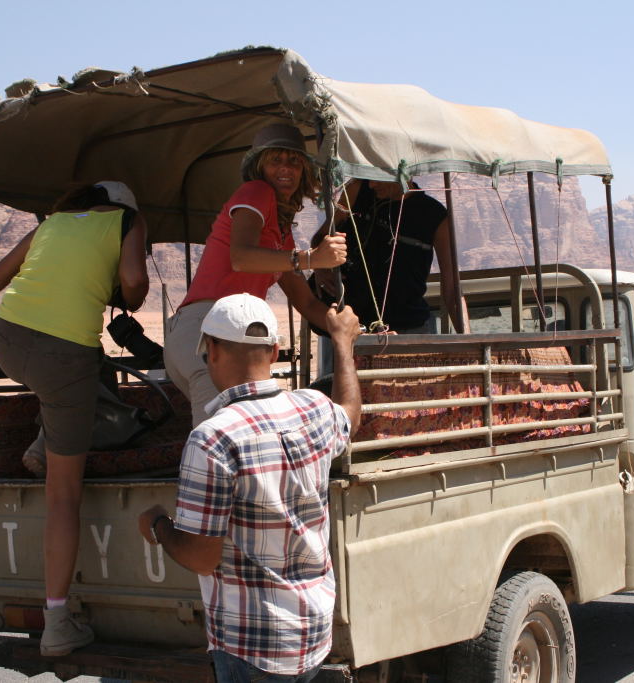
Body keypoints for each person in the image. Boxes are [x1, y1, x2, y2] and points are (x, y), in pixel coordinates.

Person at [0, 180, 149, 657]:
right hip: (64, 359)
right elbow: (133, 284)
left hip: (7, 339)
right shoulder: (128, 221)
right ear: (123, 208)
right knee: (64, 496)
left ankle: (42, 439)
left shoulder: (50, 225)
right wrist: (128, 295)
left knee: (84, 374)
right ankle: (57, 623)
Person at [139, 293, 362, 682]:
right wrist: (342, 344)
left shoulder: (212, 439)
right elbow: (350, 415)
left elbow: (201, 557)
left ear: (211, 351)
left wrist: (159, 525)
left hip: (253, 646)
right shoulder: (314, 409)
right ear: (275, 351)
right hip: (311, 633)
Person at [164, 123, 347, 426]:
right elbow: (241, 257)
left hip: (211, 336)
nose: (285, 168)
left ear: (304, 169)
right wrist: (313, 258)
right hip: (206, 331)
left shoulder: (280, 235)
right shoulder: (256, 191)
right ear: (260, 167)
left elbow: (308, 304)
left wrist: (351, 330)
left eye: (293, 161)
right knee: (224, 438)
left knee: (234, 435)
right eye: (275, 160)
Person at [313, 178, 465, 335]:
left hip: (407, 327)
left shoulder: (435, 216)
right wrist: (320, 266)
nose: (371, 184)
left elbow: (452, 290)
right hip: (350, 325)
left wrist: (474, 344)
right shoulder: (357, 191)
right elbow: (321, 237)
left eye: (377, 177)